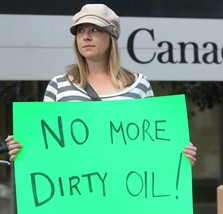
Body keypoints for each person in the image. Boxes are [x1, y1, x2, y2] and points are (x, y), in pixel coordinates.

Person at [6, 4, 197, 165]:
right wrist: (22, 148)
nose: (86, 37)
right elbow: (44, 144)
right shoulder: (59, 85)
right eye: (80, 31)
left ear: (111, 36)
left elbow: (152, 145)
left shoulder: (139, 85)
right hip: (75, 194)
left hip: (127, 193)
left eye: (94, 30)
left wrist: (179, 154)